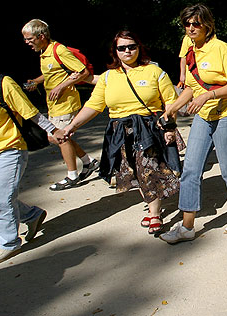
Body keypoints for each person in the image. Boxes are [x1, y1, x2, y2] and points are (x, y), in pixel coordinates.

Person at [61, 31, 181, 234]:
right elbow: (94, 106)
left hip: (148, 129)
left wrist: (170, 127)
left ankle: (154, 214)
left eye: (132, 46)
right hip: (120, 132)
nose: (127, 51)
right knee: (134, 170)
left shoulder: (154, 72)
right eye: (122, 48)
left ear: (139, 48)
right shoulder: (108, 77)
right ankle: (153, 203)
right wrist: (70, 127)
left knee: (148, 169)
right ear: (115, 52)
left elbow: (170, 101)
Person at [160, 4, 227, 243]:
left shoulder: (221, 48)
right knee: (190, 169)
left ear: (207, 25)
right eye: (187, 24)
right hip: (205, 115)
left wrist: (207, 96)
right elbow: (192, 88)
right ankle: (187, 226)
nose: (191, 28)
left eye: (196, 23)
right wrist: (172, 106)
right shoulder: (191, 50)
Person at [0, 37, 65, 264]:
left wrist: (54, 130)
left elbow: (30, 111)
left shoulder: (3, 83)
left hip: (9, 149)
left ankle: (9, 242)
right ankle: (32, 215)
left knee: (2, 199)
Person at [21, 19, 99, 190]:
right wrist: (36, 81)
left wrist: (62, 86)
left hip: (66, 103)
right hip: (54, 104)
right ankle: (89, 161)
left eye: (29, 39)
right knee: (58, 136)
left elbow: (82, 71)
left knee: (59, 137)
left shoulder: (59, 50)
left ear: (41, 36)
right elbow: (50, 73)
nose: (26, 43)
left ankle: (72, 175)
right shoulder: (44, 52)